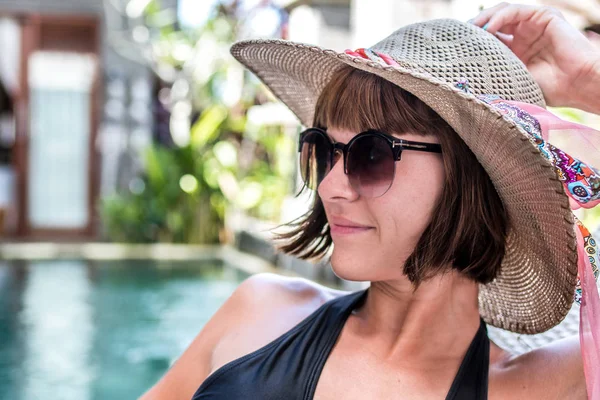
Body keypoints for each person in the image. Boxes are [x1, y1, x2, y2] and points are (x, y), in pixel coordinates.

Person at [140, 3, 600, 399]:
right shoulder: (262, 311)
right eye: (323, 149)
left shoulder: (544, 385)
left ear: (474, 176)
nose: (329, 186)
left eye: (372, 153)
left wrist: (588, 79)